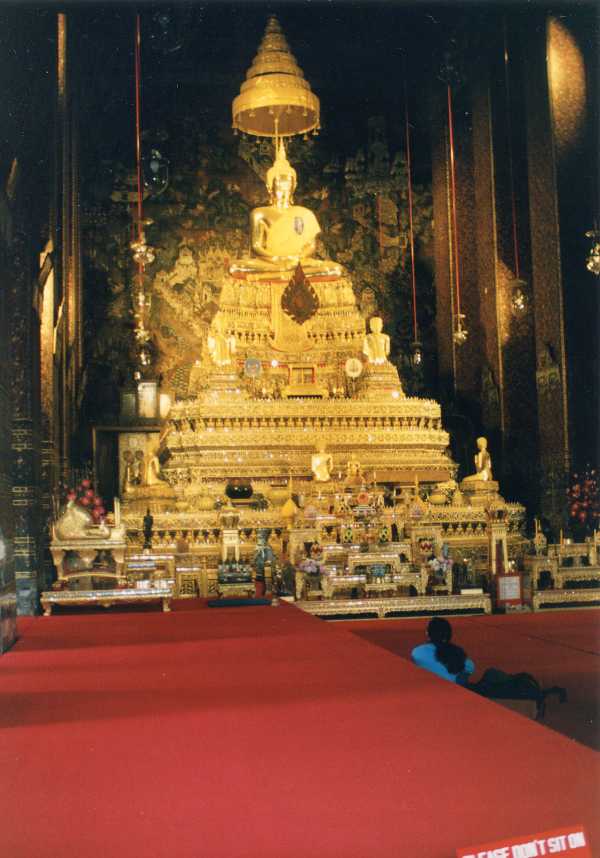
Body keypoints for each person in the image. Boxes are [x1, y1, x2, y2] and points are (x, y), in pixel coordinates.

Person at [411, 617, 474, 686]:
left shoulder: (417, 652)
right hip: (454, 689)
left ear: (427, 633)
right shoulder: (457, 652)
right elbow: (470, 666)